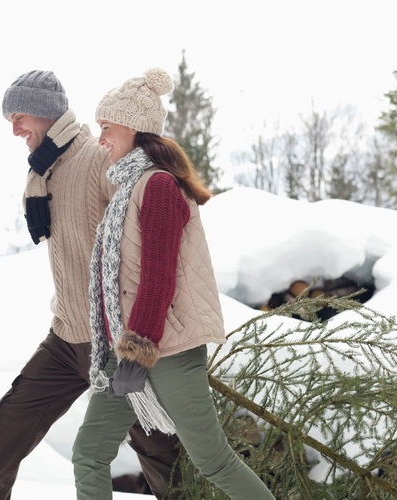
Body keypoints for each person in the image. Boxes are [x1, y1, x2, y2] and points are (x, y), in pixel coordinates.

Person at [0, 69, 183, 500]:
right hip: (67, 337)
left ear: (47, 113)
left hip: (111, 337)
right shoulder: (45, 173)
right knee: (11, 421)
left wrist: (142, 336)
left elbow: (151, 228)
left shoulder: (95, 159)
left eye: (19, 116)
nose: (14, 130)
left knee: (156, 448)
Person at [71, 67, 275, 500]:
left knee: (213, 460)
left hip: (167, 349)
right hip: (126, 347)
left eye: (106, 127)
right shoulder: (130, 187)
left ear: (134, 128)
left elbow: (158, 277)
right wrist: (123, 351)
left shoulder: (159, 186)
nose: (101, 137)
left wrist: (138, 353)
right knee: (89, 453)